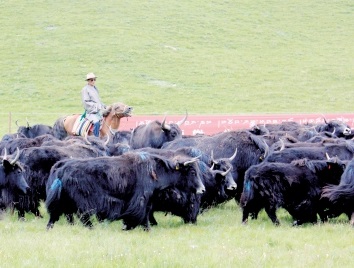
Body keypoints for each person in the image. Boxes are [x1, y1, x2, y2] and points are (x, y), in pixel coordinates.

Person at [81, 73, 106, 137]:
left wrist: (103, 105)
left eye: (94, 79)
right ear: (88, 81)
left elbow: (97, 101)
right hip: (91, 112)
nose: (93, 81)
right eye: (91, 80)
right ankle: (95, 139)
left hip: (98, 111)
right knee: (97, 123)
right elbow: (86, 102)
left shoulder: (95, 88)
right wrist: (97, 106)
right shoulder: (85, 89)